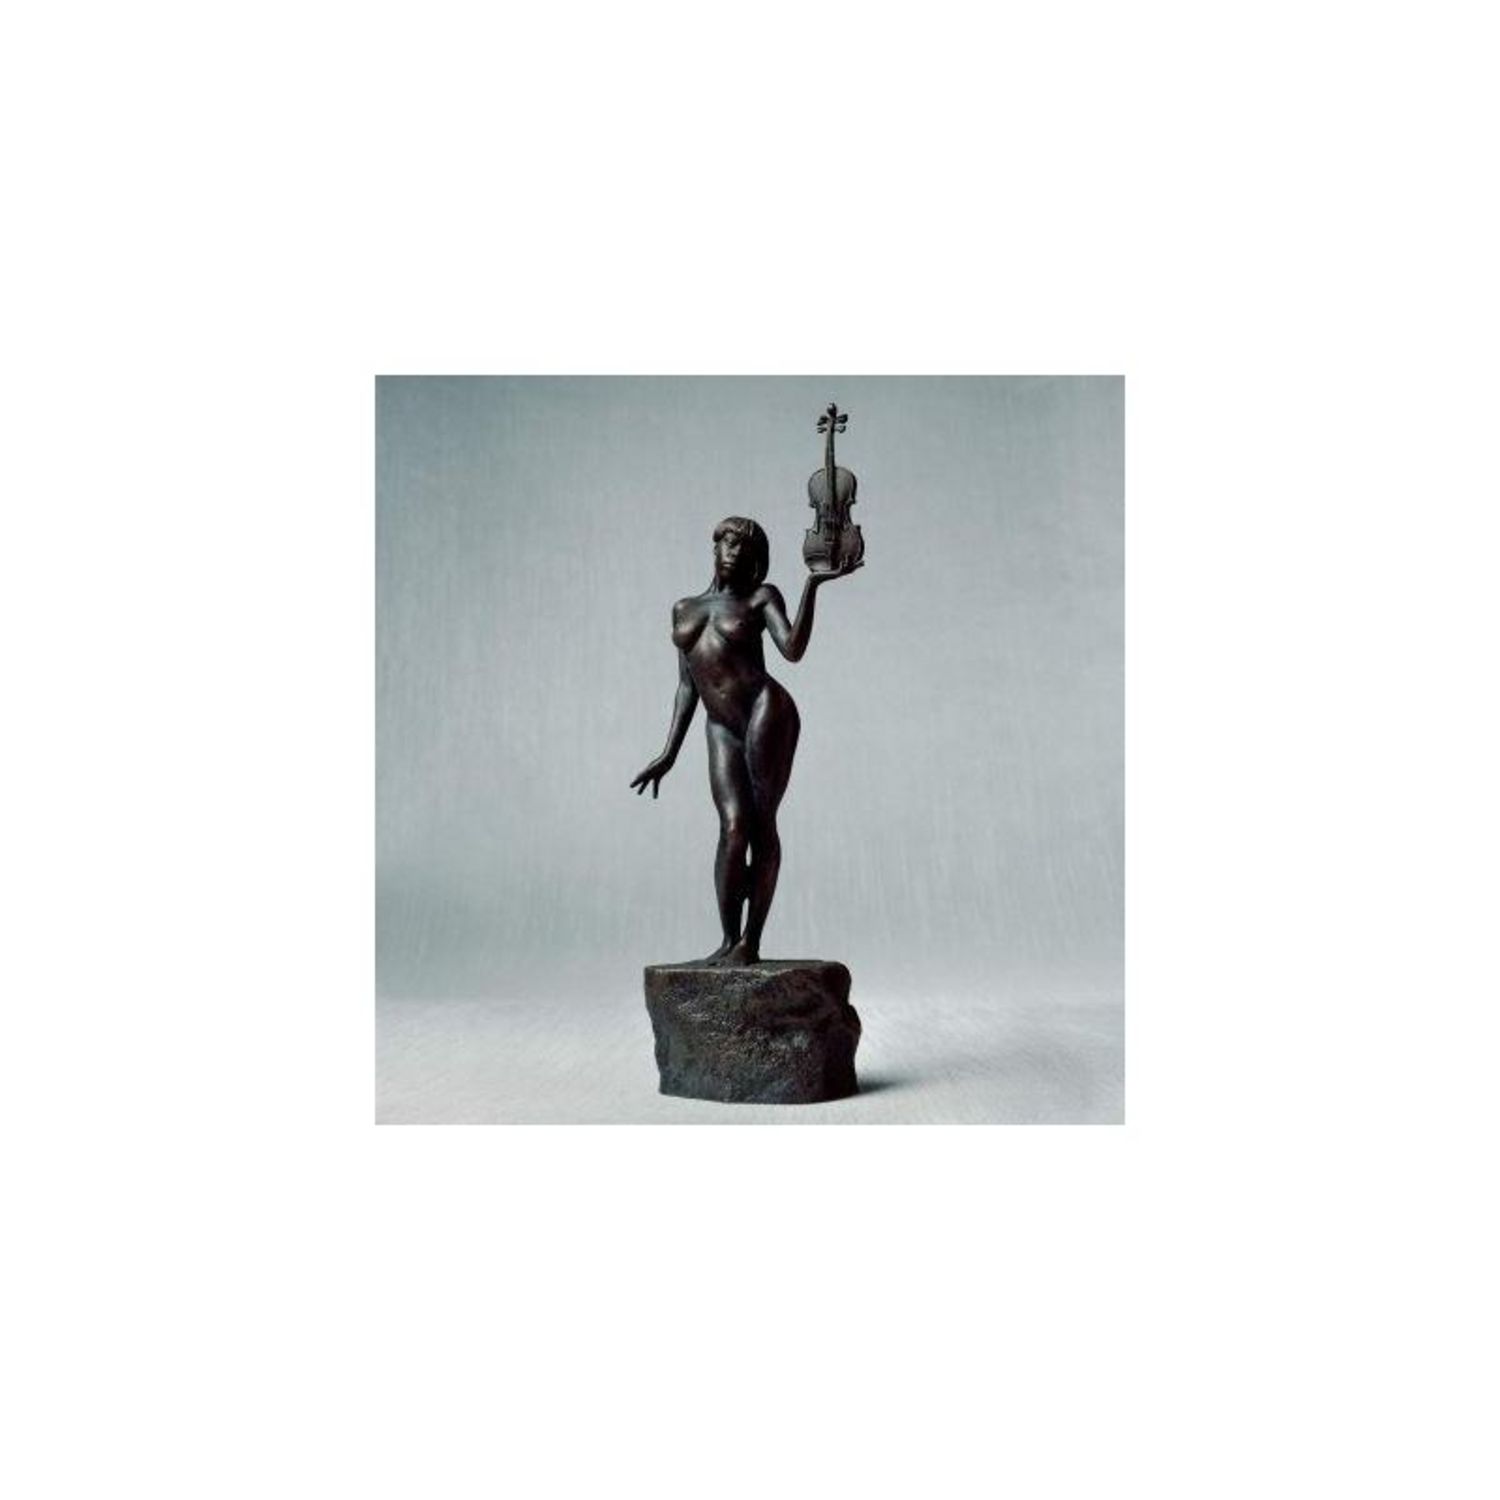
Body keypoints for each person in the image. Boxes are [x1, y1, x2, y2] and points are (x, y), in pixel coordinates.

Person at [631, 516, 862, 963]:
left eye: (743, 547)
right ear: (715, 547)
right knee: (733, 827)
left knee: (761, 824)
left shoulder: (761, 597)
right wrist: (668, 753)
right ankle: (727, 939)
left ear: (756, 561)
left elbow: (792, 649)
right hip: (719, 725)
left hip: (765, 710)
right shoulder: (684, 608)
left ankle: (750, 942)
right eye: (728, 542)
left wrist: (812, 586)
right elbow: (687, 687)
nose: (733, 551)